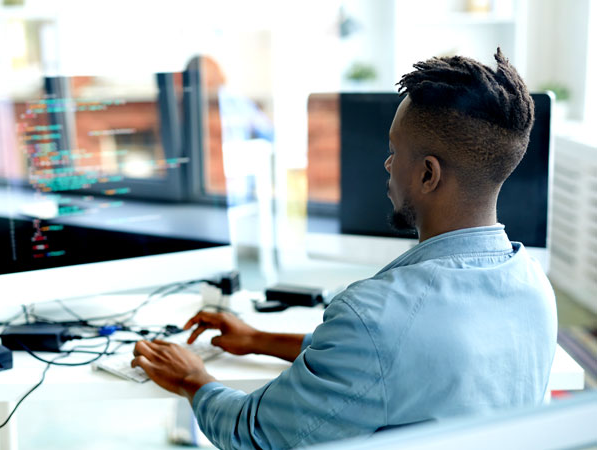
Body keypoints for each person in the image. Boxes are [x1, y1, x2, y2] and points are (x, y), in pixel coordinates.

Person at [131, 49, 557, 449]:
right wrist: (258, 338)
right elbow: (400, 362)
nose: (388, 164)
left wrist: (192, 379)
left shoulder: (374, 314)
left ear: (429, 175)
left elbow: (258, 434)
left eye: (395, 151)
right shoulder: (534, 287)